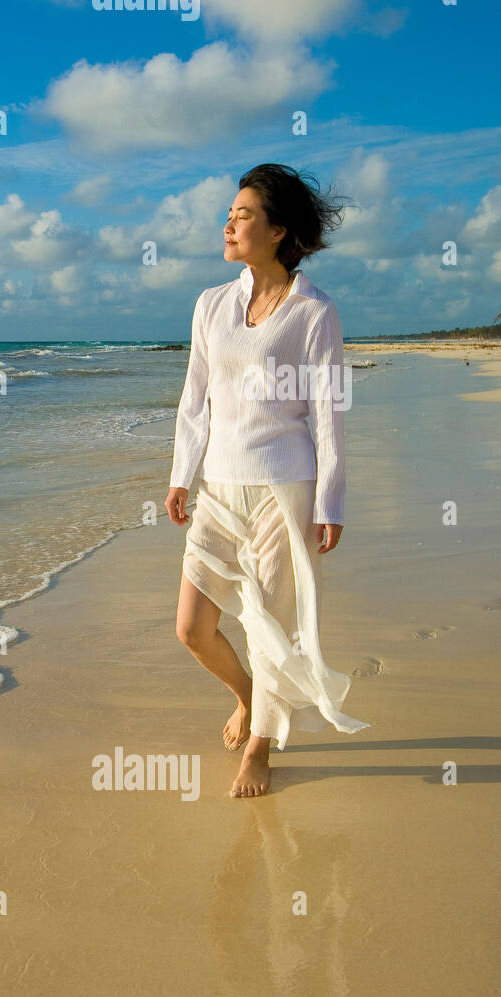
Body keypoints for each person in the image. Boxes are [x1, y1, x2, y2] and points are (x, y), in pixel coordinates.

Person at [164, 163, 370, 798]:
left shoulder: (314, 312)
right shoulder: (211, 305)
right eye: (230, 212)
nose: (228, 222)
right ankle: (251, 699)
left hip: (285, 491)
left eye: (244, 214)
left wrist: (331, 500)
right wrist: (181, 475)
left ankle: (260, 747)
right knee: (192, 627)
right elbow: (195, 398)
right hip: (219, 492)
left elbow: (330, 414)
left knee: (271, 628)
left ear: (278, 231)